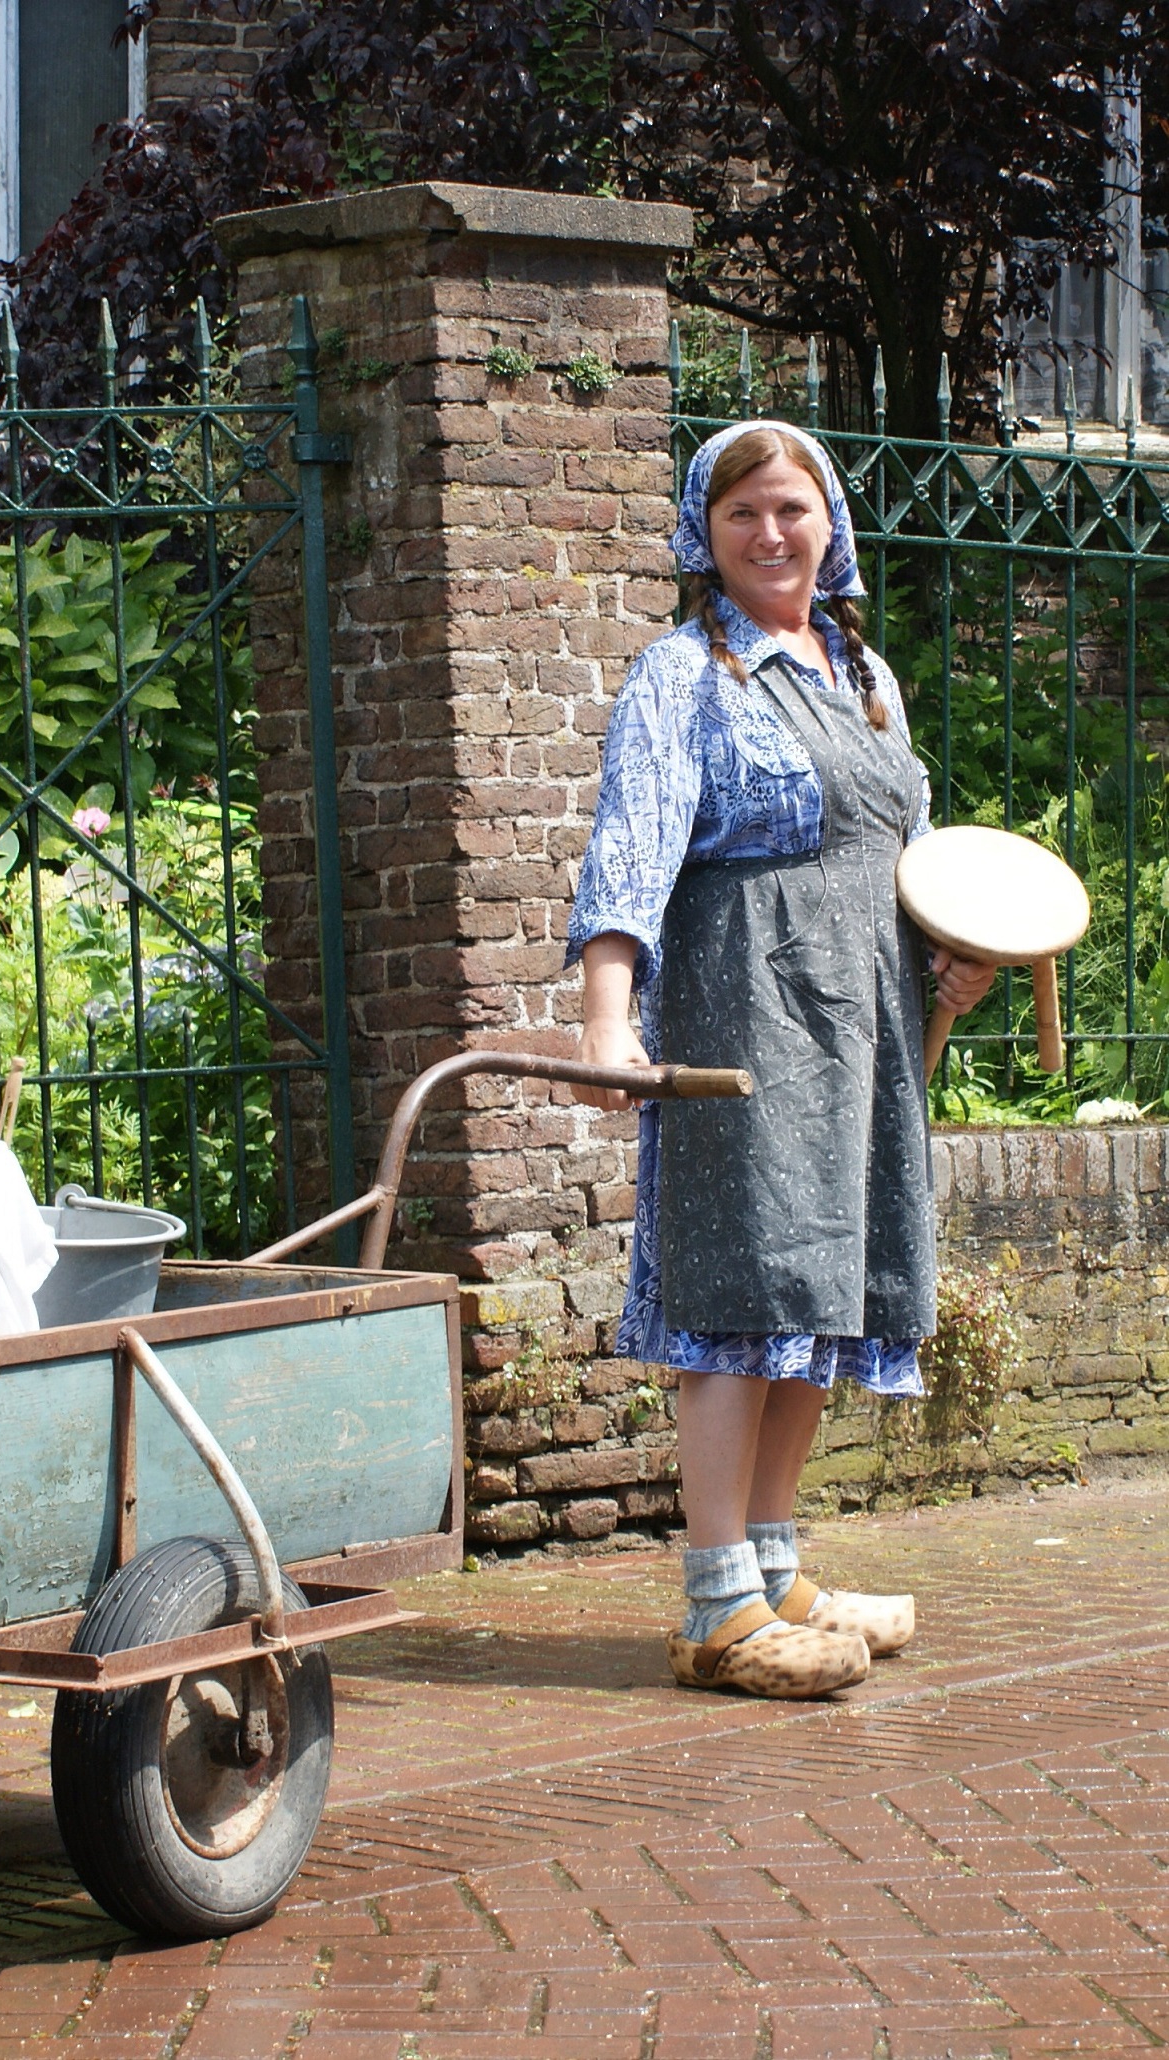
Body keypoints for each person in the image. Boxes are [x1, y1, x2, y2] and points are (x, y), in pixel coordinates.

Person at [566, 421, 996, 1699]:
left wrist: (950, 958)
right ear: (704, 530)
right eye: (742, 512)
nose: (768, 535)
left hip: (860, 1018)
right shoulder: (680, 674)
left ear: (830, 525)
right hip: (741, 1007)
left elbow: (903, 855)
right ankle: (714, 1606)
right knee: (740, 1288)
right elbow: (631, 846)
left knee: (826, 1286)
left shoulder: (864, 676)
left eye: (790, 511)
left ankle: (771, 1567)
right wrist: (606, 1016)